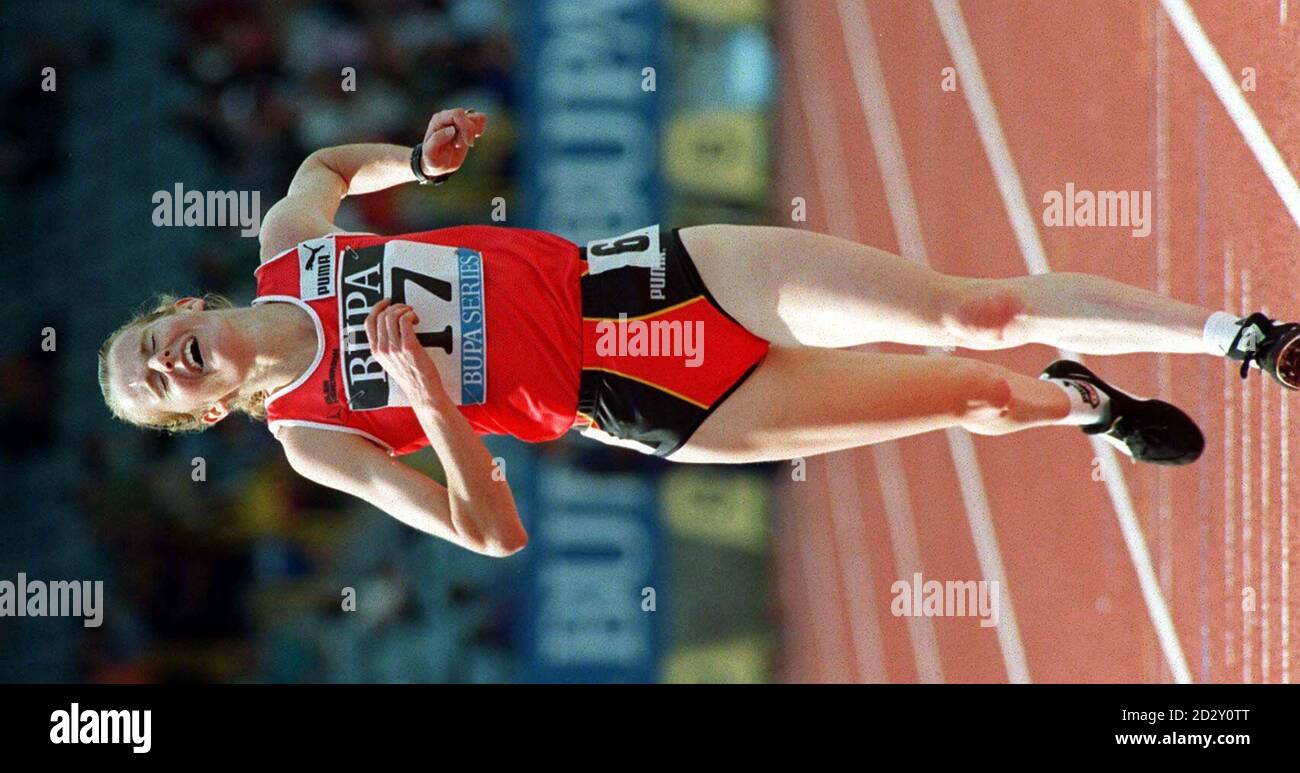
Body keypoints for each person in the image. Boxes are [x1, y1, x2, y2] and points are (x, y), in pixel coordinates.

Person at [98, 107, 1300, 556]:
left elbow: (324, 160)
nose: (160, 360)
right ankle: (1087, 403)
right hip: (648, 403)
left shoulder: (287, 243)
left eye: (147, 341)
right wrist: (422, 402)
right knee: (972, 393)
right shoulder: (313, 437)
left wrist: (411, 158)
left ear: (183, 311)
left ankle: (1237, 335)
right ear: (201, 411)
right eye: (152, 387)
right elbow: (492, 532)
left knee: (966, 310)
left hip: (651, 285)